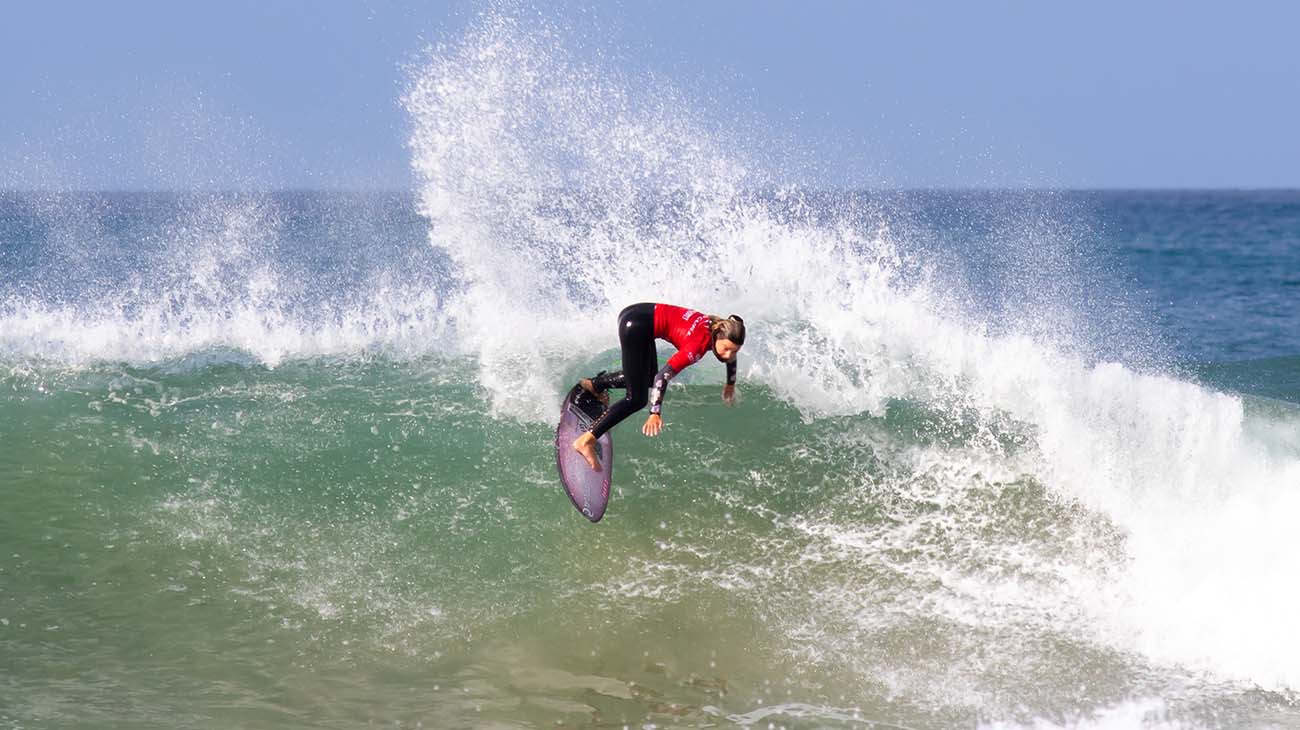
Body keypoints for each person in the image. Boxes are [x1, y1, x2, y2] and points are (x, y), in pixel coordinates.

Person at [572, 303, 746, 471]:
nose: (728, 355)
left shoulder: (718, 327)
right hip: (636, 327)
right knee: (636, 399)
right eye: (726, 349)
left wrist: (730, 383)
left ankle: (595, 385)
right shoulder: (696, 347)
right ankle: (586, 441)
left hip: (639, 316)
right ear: (717, 336)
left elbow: (729, 354)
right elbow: (662, 377)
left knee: (646, 377)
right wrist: (655, 412)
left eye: (734, 351)